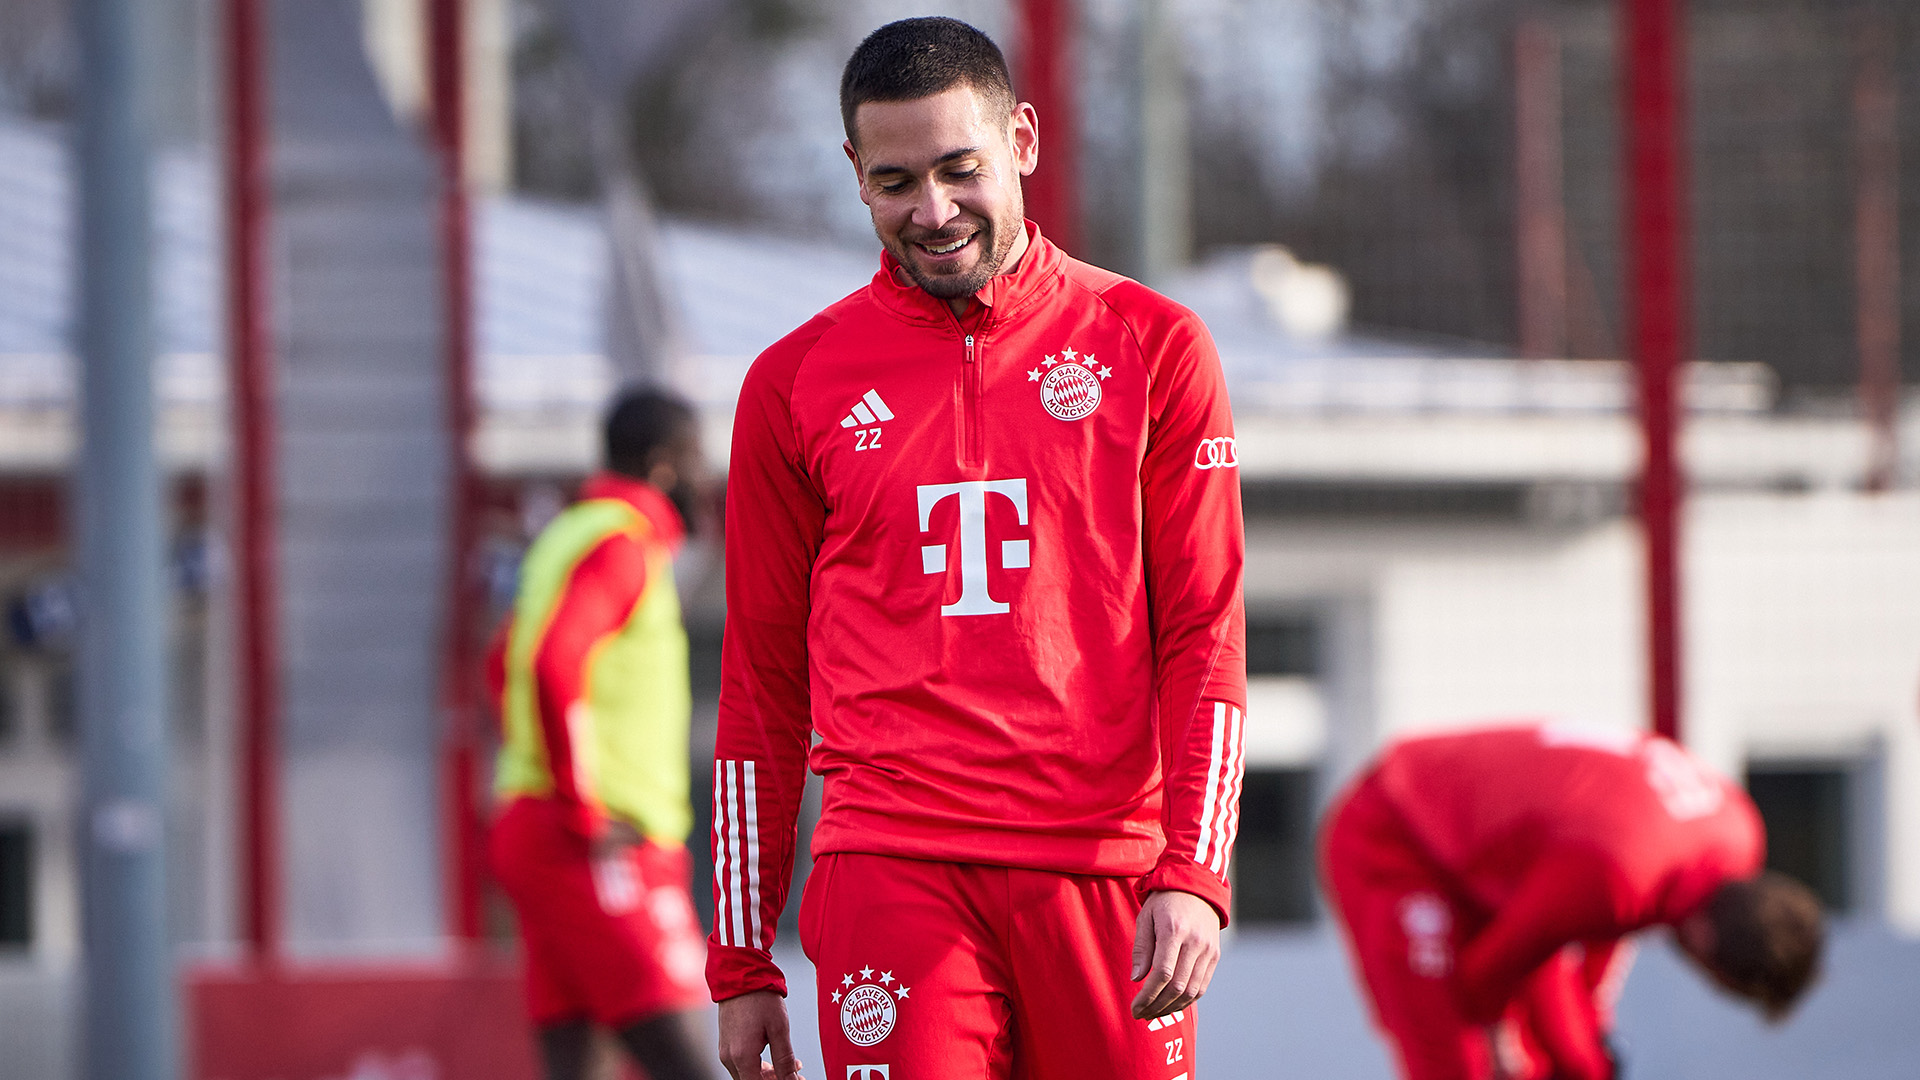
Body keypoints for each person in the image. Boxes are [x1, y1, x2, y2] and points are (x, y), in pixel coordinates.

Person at [707, 16, 1247, 1080]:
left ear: (1025, 143)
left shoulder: (1154, 347)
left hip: (1105, 870)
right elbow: (761, 683)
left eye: (962, 169)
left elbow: (1204, 635)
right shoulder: (791, 383)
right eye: (897, 180)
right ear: (856, 175)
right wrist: (740, 961)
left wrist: (1194, 870)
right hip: (891, 869)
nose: (934, 210)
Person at [1320, 721, 1826, 1080]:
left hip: (1476, 843)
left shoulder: (1736, 831)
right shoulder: (1621, 877)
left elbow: (1576, 932)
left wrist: (1581, 1052)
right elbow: (1490, 975)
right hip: (1396, 829)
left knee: (1559, 1062)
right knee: (1452, 1059)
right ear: (1710, 946)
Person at [487, 387, 717, 1080]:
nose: (706, 480)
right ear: (665, 465)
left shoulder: (564, 534)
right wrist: (583, 806)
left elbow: (502, 665)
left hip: (537, 825)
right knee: (691, 1062)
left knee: (575, 1061)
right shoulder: (623, 543)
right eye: (697, 461)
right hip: (595, 837)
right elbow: (553, 660)